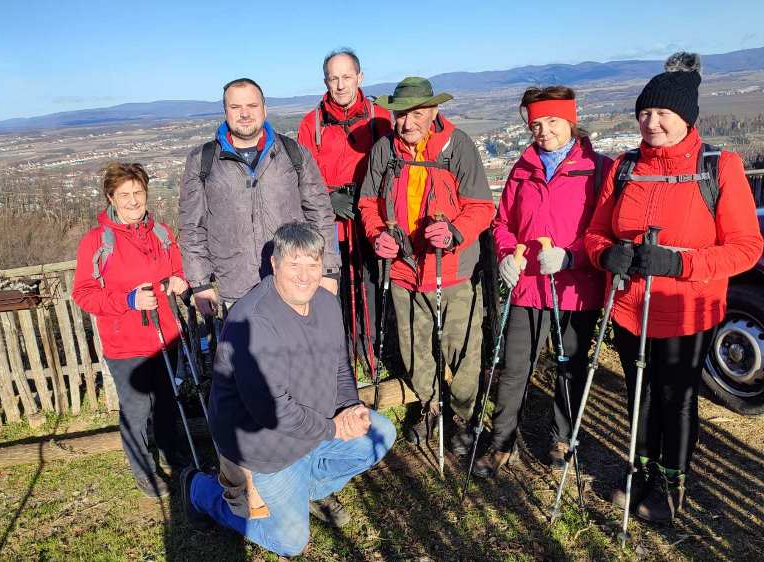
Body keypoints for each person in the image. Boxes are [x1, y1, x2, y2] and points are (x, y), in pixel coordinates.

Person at [584, 52, 763, 522]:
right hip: (629, 308)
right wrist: (607, 254)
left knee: (676, 397)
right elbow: (595, 233)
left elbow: (745, 247)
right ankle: (639, 470)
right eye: (645, 113)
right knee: (639, 392)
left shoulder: (719, 168)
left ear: (686, 116)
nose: (652, 123)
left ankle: (672, 483)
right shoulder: (625, 168)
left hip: (688, 311)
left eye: (663, 113)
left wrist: (679, 262)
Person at [181, 222, 396, 558]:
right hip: (266, 447)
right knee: (290, 542)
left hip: (313, 426)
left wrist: (351, 407)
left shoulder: (325, 303)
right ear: (275, 264)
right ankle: (202, 492)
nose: (305, 275)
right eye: (294, 264)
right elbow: (271, 410)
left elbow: (340, 365)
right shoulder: (251, 322)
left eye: (312, 265)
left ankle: (303, 489)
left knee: (380, 432)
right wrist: (332, 428)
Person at [474, 86, 612, 477]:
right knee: (515, 367)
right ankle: (502, 443)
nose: (543, 131)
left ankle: (562, 439)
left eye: (552, 121)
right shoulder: (523, 167)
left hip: (575, 288)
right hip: (528, 284)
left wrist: (573, 256)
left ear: (570, 120)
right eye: (535, 124)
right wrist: (505, 254)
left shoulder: (598, 169)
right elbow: (504, 224)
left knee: (570, 365)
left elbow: (605, 230)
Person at [358, 77, 495, 450]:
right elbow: (368, 203)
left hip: (452, 269)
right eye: (400, 114)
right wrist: (376, 236)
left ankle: (464, 414)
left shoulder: (458, 146)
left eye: (417, 113)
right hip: (404, 271)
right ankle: (431, 405)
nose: (407, 122)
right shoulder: (385, 150)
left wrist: (454, 232)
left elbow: (482, 206)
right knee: (415, 348)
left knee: (463, 348)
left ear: (434, 111)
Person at [72, 162, 189, 498]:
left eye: (138, 192)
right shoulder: (97, 241)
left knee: (168, 400)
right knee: (137, 409)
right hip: (125, 343)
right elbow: (83, 293)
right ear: (111, 197)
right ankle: (144, 471)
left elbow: (177, 269)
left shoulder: (162, 233)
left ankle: (172, 452)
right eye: (125, 194)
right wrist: (128, 300)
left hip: (166, 335)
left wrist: (178, 280)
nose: (134, 200)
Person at [178, 78, 341, 318]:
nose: (245, 114)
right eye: (236, 107)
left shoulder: (293, 154)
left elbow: (321, 214)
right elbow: (191, 228)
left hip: (293, 281)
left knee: (296, 352)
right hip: (236, 288)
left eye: (252, 106)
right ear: (226, 111)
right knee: (246, 355)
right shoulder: (202, 161)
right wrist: (201, 284)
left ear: (264, 109)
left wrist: (328, 270)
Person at [297, 48, 391, 371]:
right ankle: (340, 359)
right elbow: (304, 176)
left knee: (368, 283)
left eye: (346, 77)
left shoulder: (379, 118)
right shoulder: (313, 124)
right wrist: (328, 199)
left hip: (367, 215)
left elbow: (392, 166)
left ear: (359, 78)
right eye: (333, 78)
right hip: (330, 222)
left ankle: (370, 351)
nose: (340, 85)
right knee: (333, 289)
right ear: (325, 81)